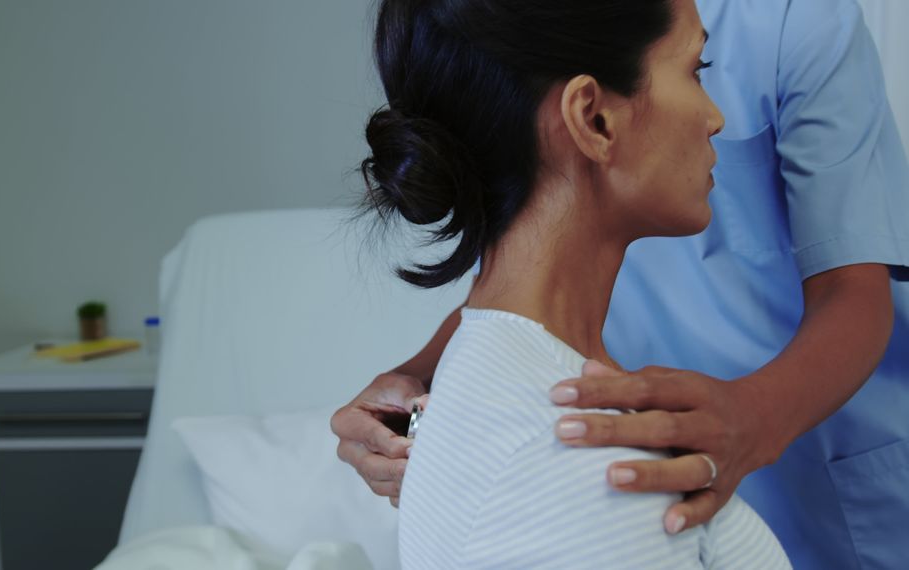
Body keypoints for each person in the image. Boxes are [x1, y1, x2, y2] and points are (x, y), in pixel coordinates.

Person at [333, 0, 909, 568]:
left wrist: (751, 417)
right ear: (593, 119)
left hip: (816, 475)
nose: (716, 117)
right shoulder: (563, 455)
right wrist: (417, 375)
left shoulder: (793, 19)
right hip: (625, 458)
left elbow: (855, 291)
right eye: (694, 74)